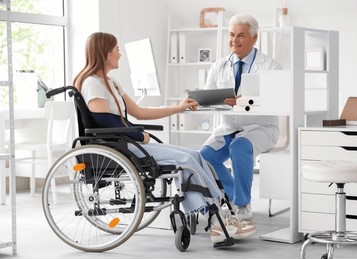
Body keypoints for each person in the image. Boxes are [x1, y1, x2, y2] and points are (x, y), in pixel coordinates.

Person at [73, 32, 257, 243]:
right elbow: (105, 123)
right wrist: (138, 134)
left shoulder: (111, 83)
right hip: (119, 147)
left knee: (195, 155)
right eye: (117, 50)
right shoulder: (92, 84)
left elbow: (140, 112)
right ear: (106, 54)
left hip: (127, 142)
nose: (120, 55)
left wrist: (178, 108)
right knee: (185, 161)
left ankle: (218, 214)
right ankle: (215, 219)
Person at [200, 14, 282, 222]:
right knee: (205, 157)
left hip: (261, 128)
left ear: (254, 38)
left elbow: (277, 100)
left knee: (239, 146)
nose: (234, 40)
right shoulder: (219, 65)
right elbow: (209, 97)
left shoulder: (271, 66)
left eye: (241, 35)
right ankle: (232, 196)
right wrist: (203, 101)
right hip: (228, 128)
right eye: (231, 35)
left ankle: (243, 205)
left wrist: (242, 102)